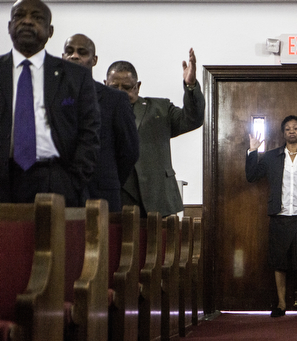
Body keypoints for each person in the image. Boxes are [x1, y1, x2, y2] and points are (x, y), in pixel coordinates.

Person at [0, 0, 100, 207]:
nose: (27, 22)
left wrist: (75, 181)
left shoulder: (75, 76)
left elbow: (89, 132)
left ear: (50, 30)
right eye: (20, 16)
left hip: (55, 179)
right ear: (9, 26)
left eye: (37, 18)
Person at [104, 49, 205, 217]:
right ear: (105, 85)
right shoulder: (96, 112)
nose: (120, 92)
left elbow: (192, 119)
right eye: (114, 87)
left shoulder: (160, 109)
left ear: (137, 87)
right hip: (114, 198)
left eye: (127, 87)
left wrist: (191, 86)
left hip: (156, 199)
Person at [246, 115, 297, 318]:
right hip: (280, 216)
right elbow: (251, 176)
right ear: (283, 133)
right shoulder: (272, 156)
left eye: (296, 128)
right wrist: (252, 151)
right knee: (279, 263)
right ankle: (281, 304)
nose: (292, 131)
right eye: (288, 129)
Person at [62, 34, 139, 212]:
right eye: (69, 52)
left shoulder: (115, 99)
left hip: (102, 193)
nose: (74, 56)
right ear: (63, 57)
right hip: (60, 193)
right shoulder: (50, 96)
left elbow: (129, 151)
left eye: (82, 52)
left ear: (94, 60)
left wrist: (109, 178)